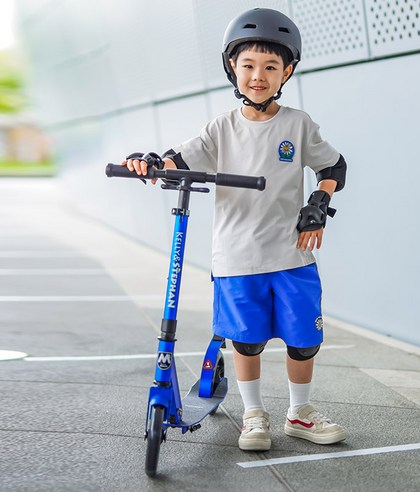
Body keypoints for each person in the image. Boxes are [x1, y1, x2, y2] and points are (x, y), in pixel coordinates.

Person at [124, 8, 347, 451]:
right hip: (237, 256)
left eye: (270, 67)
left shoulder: (297, 124)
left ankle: (299, 414)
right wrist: (150, 162)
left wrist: (318, 202)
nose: (258, 76)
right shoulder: (220, 128)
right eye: (248, 66)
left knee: (303, 343)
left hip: (291, 255)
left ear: (287, 71)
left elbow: (333, 166)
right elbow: (177, 161)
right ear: (233, 68)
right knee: (246, 343)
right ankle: (253, 415)